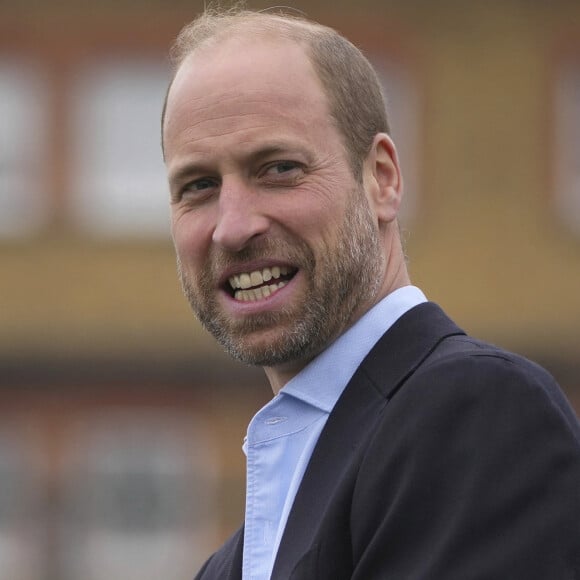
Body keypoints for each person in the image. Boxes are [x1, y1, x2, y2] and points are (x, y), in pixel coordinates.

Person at [161, 7, 580, 580]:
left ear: (381, 178)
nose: (232, 226)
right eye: (199, 186)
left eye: (278, 169)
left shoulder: (475, 414)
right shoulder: (230, 563)